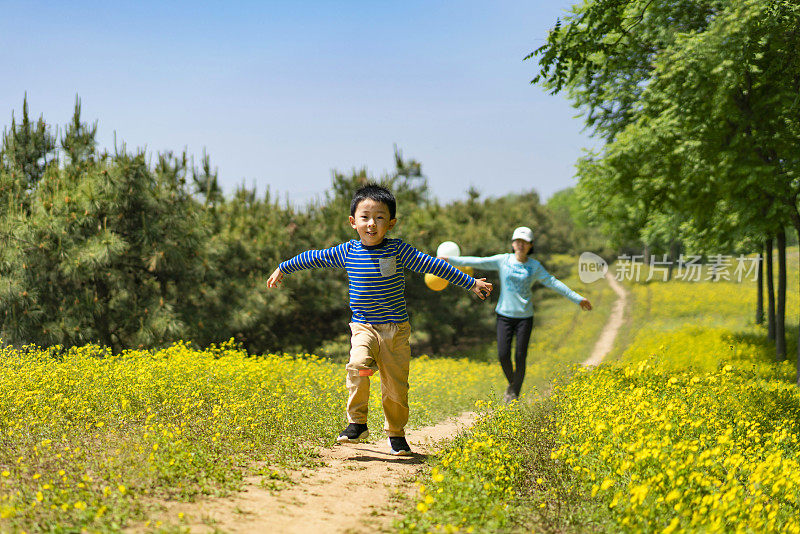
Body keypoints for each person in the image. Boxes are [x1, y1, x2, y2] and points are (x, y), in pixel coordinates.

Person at [266, 184, 493, 455]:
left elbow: (433, 265)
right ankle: (357, 422)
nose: (371, 223)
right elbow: (313, 258)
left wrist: (470, 282)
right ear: (353, 222)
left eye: (380, 217)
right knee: (359, 366)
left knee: (394, 387)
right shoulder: (346, 252)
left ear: (391, 223)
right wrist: (283, 267)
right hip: (363, 326)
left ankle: (396, 433)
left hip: (395, 331)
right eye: (365, 217)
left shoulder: (398, 251)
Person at [442, 226, 592, 402]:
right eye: (517, 241)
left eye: (524, 242)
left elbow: (553, 282)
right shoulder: (503, 260)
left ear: (530, 245)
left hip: (524, 318)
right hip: (504, 316)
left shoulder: (534, 266)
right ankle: (513, 385)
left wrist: (577, 298)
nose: (520, 245)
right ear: (512, 243)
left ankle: (513, 394)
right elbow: (478, 261)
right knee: (503, 355)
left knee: (520, 357)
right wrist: (449, 260)